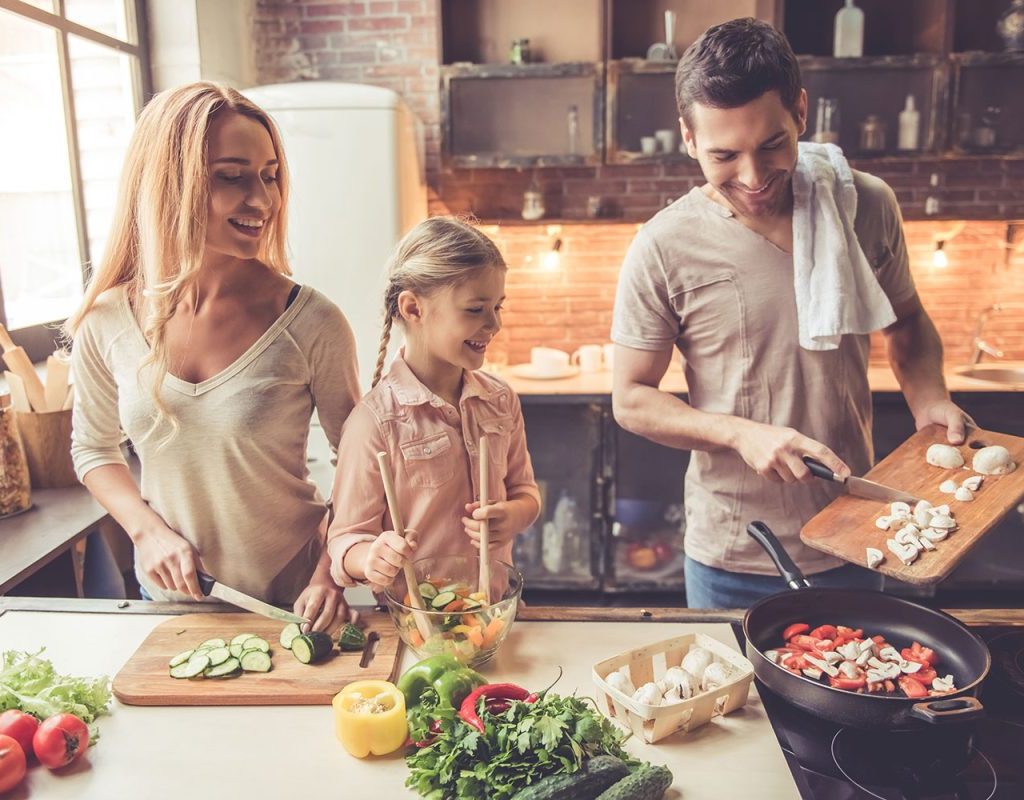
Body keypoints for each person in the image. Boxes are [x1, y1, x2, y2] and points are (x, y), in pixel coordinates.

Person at [610, 19, 969, 608]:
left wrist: (928, 401)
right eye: (725, 155)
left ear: (801, 111)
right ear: (689, 139)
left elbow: (905, 321)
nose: (753, 177)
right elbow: (631, 398)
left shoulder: (864, 204)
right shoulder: (663, 245)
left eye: (772, 144)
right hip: (732, 550)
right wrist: (739, 433)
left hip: (858, 531)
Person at [67, 81, 360, 631]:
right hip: (171, 600)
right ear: (168, 184)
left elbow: (361, 465)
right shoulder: (105, 320)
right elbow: (93, 449)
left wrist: (330, 573)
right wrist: (147, 531)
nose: (264, 200)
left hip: (296, 601)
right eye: (232, 177)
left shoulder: (313, 321)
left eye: (270, 176)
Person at [327, 217, 541, 591]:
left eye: (497, 307)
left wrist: (514, 515)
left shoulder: (501, 401)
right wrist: (370, 557)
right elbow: (345, 541)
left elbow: (527, 492)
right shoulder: (373, 423)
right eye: (475, 310)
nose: (494, 324)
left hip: (495, 613)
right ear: (413, 309)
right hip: (418, 624)